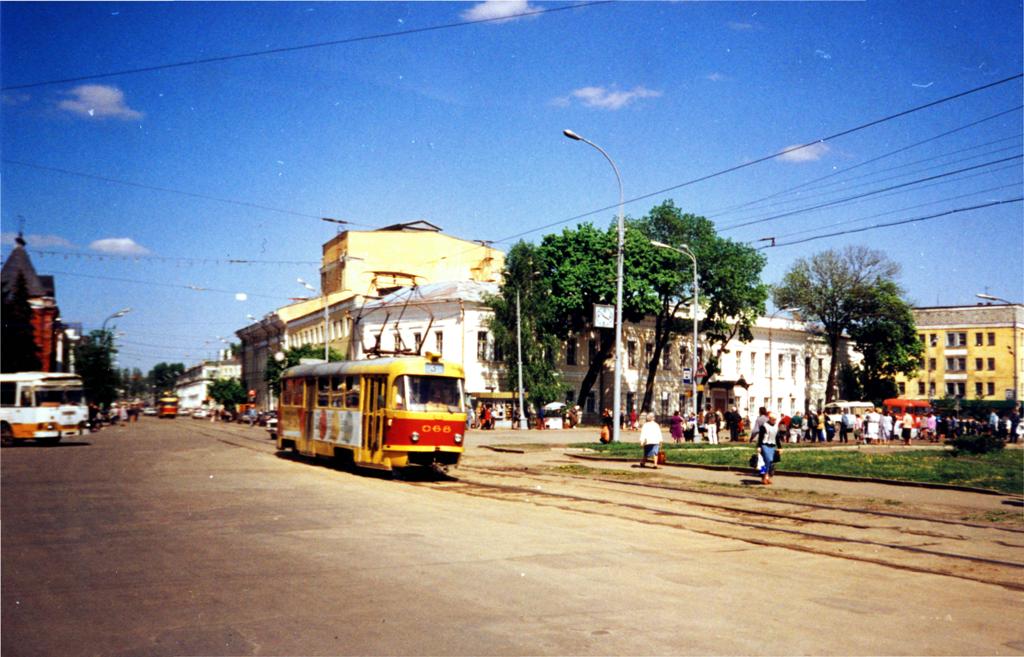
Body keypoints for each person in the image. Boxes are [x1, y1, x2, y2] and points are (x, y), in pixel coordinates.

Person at [757, 413, 781, 485]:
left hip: (772, 446)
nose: (774, 421)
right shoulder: (764, 426)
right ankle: (764, 476)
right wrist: (759, 446)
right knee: (767, 460)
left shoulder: (776, 427)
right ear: (769, 419)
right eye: (773, 419)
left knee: (770, 462)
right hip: (765, 445)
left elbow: (777, 438)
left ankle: (766, 477)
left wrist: (780, 447)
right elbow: (760, 437)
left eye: (775, 420)